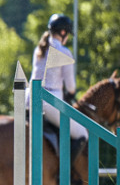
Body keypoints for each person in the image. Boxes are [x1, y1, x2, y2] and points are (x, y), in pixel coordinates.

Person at [28, 14, 88, 162]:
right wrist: (71, 93)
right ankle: (63, 174)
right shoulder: (64, 52)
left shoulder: (39, 49)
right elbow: (71, 87)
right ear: (63, 33)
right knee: (82, 134)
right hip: (49, 103)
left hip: (28, 99)